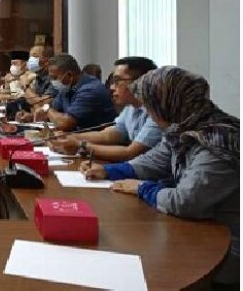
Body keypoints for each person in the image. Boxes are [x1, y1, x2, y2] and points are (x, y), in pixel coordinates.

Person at [82, 66, 239, 287]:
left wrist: (141, 188)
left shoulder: (217, 142)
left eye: (150, 104)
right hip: (200, 231)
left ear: (169, 102)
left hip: (226, 251)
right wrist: (109, 171)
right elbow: (155, 161)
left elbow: (185, 202)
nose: (147, 110)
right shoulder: (183, 127)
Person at [50, 57, 162, 161]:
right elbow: (108, 135)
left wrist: (81, 146)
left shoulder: (158, 112)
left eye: (118, 81)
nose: (112, 87)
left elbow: (131, 153)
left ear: (140, 82)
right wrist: (67, 137)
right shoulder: (131, 107)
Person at [43, 53, 116, 131]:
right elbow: (54, 112)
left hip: (97, 140)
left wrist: (46, 108)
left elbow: (65, 124)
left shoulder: (90, 90)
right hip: (77, 138)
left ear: (69, 74)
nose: (53, 82)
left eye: (54, 78)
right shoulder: (67, 88)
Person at [14, 45, 57, 121]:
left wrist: (26, 86)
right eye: (30, 56)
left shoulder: (53, 77)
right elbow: (33, 102)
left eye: (35, 56)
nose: (30, 59)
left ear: (46, 61)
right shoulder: (38, 77)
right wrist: (30, 116)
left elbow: (43, 103)